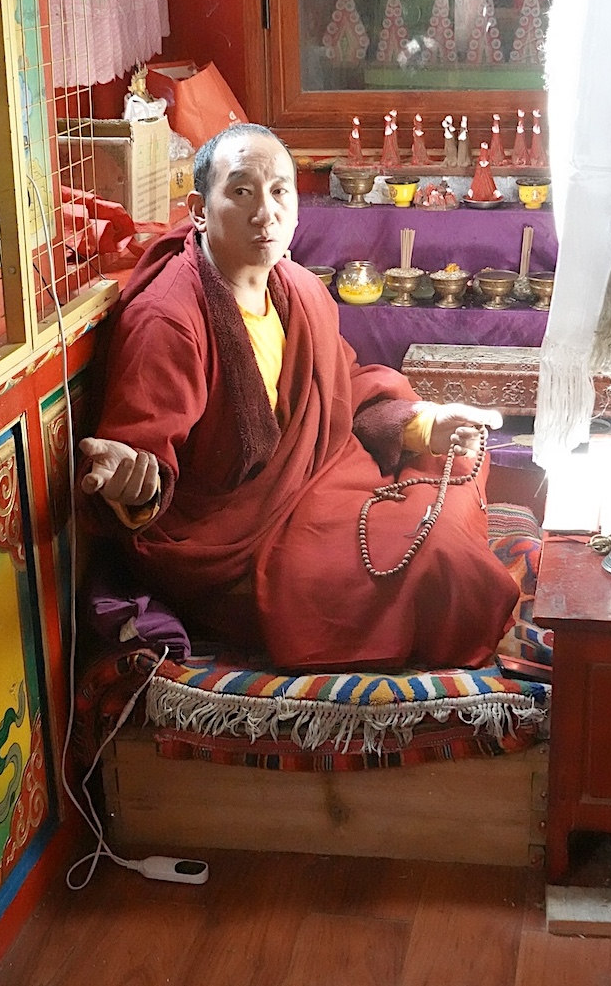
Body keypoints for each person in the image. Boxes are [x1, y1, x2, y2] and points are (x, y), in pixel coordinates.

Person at [79, 122, 519, 671]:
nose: (266, 211)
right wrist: (134, 481)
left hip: (313, 485)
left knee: (454, 470)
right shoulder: (169, 318)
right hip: (236, 543)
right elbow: (143, 456)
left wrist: (424, 423)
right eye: (241, 192)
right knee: (443, 558)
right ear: (198, 208)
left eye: (280, 190)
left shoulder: (299, 289)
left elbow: (345, 385)